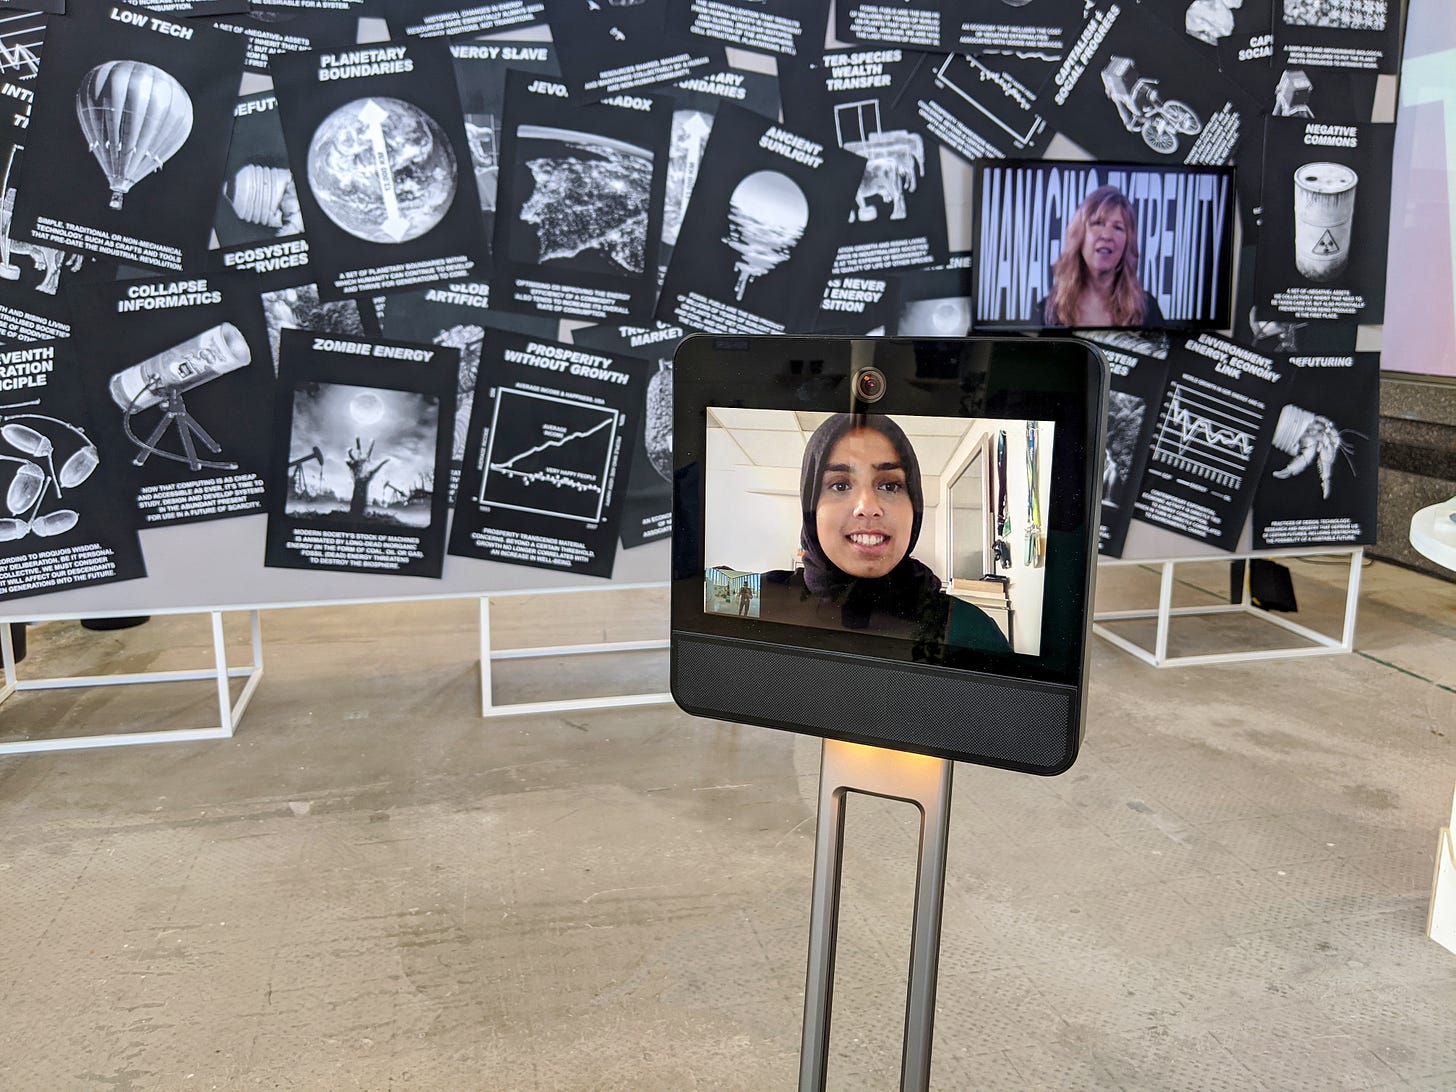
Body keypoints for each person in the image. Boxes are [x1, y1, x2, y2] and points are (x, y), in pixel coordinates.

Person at [759, 413, 1010, 653]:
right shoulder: (756, 600)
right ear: (811, 507)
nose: (868, 508)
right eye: (840, 485)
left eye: (890, 486)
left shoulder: (969, 630)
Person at [1038, 185, 1164, 329]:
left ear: (1127, 243)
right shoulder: (1049, 312)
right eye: (1098, 223)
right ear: (1080, 235)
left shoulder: (1147, 310)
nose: (1107, 235)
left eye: (1118, 228)